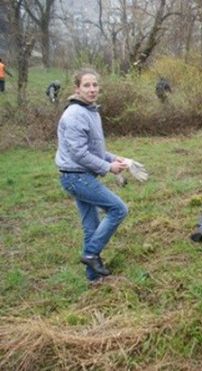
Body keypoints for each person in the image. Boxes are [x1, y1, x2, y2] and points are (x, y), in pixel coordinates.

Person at [55, 68, 129, 283]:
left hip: (81, 175)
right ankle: (90, 254)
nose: (92, 89)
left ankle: (93, 278)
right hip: (76, 177)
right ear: (77, 88)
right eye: (86, 85)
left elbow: (94, 150)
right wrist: (108, 168)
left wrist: (114, 158)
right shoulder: (75, 114)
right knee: (118, 209)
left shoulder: (90, 111)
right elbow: (79, 153)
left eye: (95, 85)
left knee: (91, 227)